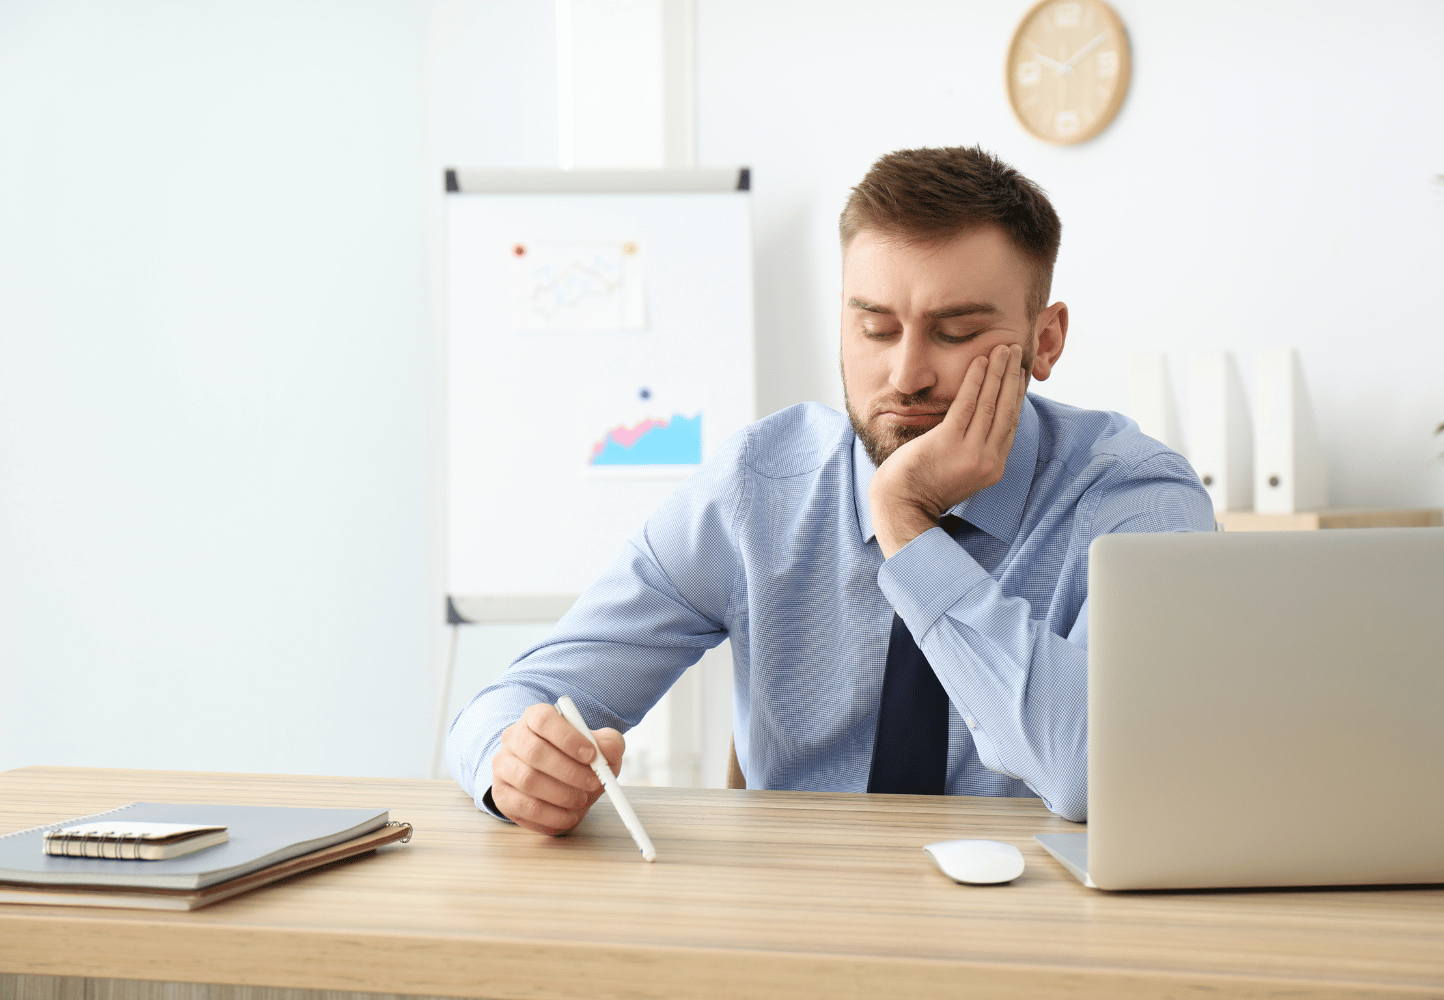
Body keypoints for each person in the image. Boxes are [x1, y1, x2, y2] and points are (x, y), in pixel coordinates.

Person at [447, 146, 1213, 832]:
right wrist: (514, 767)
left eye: (955, 333)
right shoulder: (758, 488)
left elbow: (1099, 774)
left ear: (1045, 340)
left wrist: (905, 526)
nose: (907, 375)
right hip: (794, 931)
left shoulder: (1134, 499)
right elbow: (511, 702)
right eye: (875, 329)